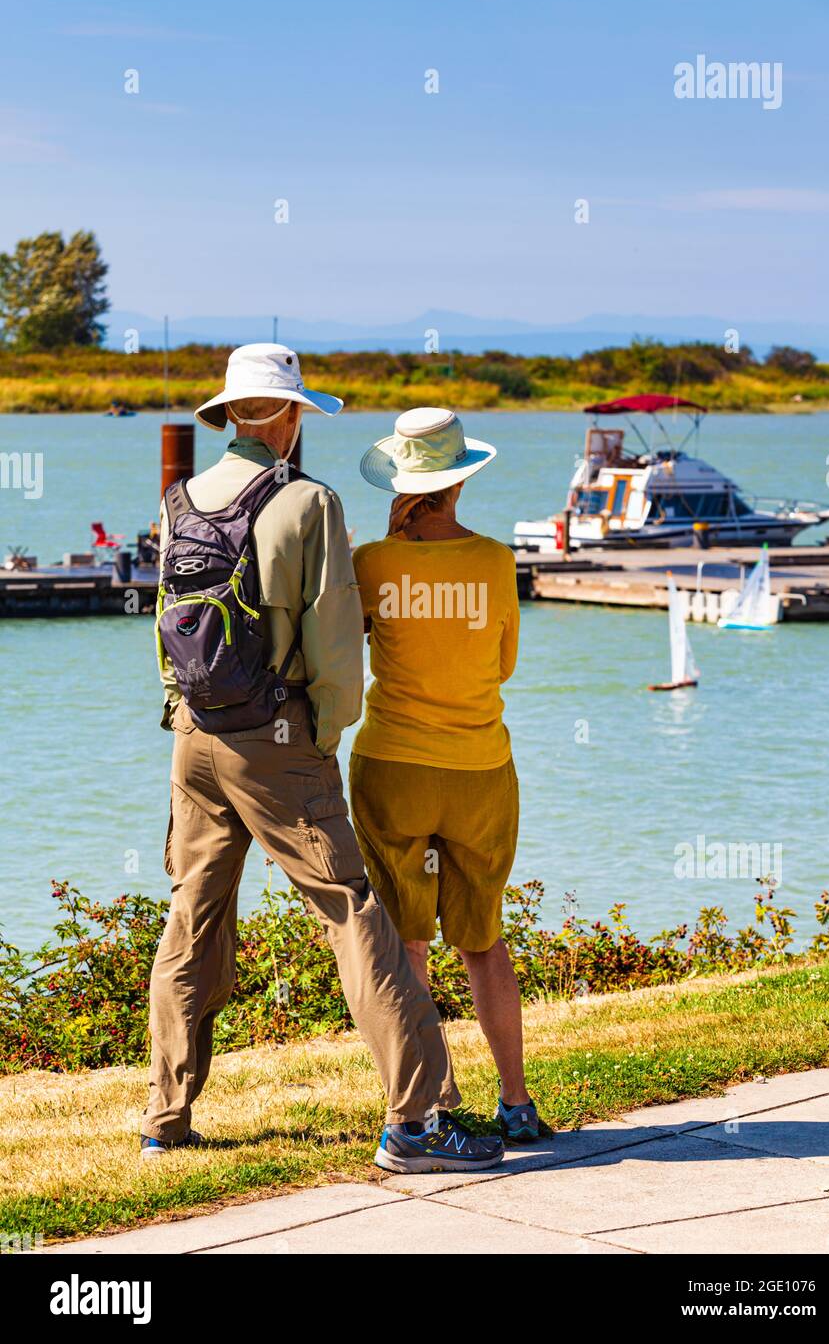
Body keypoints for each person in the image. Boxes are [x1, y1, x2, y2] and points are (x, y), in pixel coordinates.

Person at [141, 345, 504, 1174]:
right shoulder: (311, 504)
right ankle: (416, 1124)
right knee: (353, 913)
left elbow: (162, 628)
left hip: (194, 737)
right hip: (279, 744)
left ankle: (165, 1115)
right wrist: (323, 737)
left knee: (192, 915)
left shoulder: (180, 499)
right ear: (294, 414)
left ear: (229, 413)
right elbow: (337, 651)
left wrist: (185, 713)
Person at [349, 406, 539, 1143]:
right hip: (478, 767)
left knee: (408, 941)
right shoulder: (495, 561)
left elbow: (343, 649)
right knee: (483, 939)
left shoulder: (371, 562)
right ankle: (516, 1103)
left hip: (392, 763)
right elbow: (504, 665)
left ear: (401, 481)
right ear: (460, 482)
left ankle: (427, 1105)